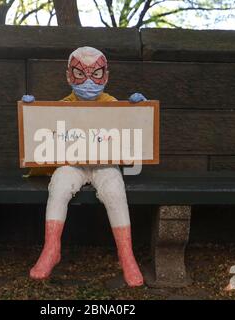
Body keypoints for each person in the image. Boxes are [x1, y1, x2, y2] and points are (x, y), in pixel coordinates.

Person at [22, 46, 147, 287]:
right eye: (81, 73)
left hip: (104, 164)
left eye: (96, 73)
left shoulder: (113, 105)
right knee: (58, 186)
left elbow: (130, 139)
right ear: (69, 75)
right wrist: (32, 113)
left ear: (106, 76)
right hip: (73, 164)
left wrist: (136, 112)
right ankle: (51, 248)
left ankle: (126, 255)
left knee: (114, 191)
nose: (89, 80)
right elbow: (45, 136)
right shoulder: (61, 107)